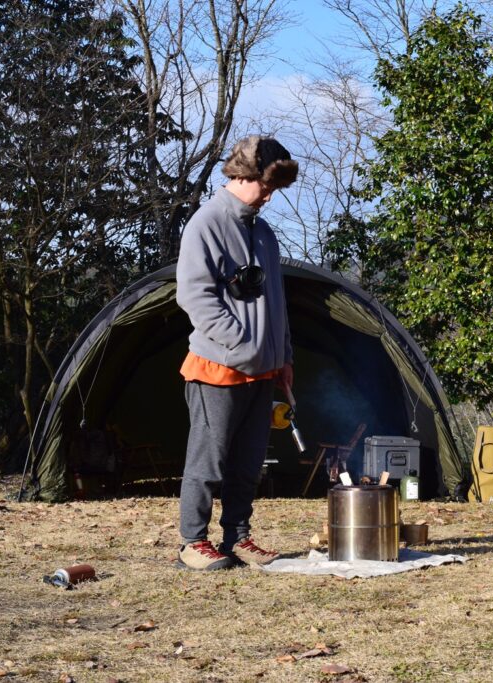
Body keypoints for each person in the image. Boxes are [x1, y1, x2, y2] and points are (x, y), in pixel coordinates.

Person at [174, 135, 298, 571]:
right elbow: (195, 297)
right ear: (242, 175)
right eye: (265, 185)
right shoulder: (205, 223)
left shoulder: (263, 232)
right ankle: (192, 543)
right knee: (208, 462)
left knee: (248, 464)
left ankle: (238, 538)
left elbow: (276, 301)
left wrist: (283, 357)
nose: (269, 195)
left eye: (274, 188)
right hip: (217, 368)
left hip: (263, 372)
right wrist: (242, 344)